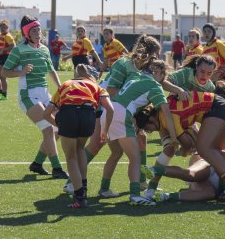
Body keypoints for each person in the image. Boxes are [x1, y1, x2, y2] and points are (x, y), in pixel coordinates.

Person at [62, 34, 162, 196]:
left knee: (136, 141)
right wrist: (130, 112)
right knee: (96, 144)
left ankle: (140, 182)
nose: (156, 59)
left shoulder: (142, 68)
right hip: (101, 105)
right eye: (155, 55)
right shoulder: (124, 64)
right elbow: (111, 90)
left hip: (115, 108)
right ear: (147, 53)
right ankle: (72, 184)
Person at [136, 90, 225, 200]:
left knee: (204, 149)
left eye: (148, 129)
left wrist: (184, 152)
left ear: (151, 120)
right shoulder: (162, 114)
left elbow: (186, 144)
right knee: (219, 151)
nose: (151, 131)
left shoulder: (165, 119)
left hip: (214, 108)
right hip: (216, 105)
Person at [101, 59, 179, 205]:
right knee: (135, 157)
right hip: (121, 114)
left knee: (116, 153)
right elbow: (166, 112)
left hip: (108, 111)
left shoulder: (135, 76)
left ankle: (104, 188)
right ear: (161, 75)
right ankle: (135, 195)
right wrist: (174, 137)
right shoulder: (155, 85)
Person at [1, 15, 67, 178]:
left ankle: (37, 163)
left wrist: (61, 89)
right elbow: (4, 72)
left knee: (60, 127)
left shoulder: (44, 49)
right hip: (28, 95)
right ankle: (57, 168)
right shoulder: (19, 50)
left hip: (44, 94)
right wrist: (21, 72)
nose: (38, 33)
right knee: (48, 128)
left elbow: (52, 71)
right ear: (27, 34)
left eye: (39, 29)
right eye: (34, 30)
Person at [43, 64, 114, 208]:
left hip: (68, 114)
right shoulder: (96, 86)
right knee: (80, 149)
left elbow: (46, 113)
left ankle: (80, 197)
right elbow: (110, 109)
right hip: (88, 116)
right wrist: (105, 130)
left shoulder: (66, 84)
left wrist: (59, 124)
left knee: (70, 157)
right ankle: (84, 188)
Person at [142, 152, 225, 203]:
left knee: (210, 193)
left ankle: (166, 196)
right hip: (209, 165)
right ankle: (154, 170)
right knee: (192, 175)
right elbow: (218, 154)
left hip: (211, 186)